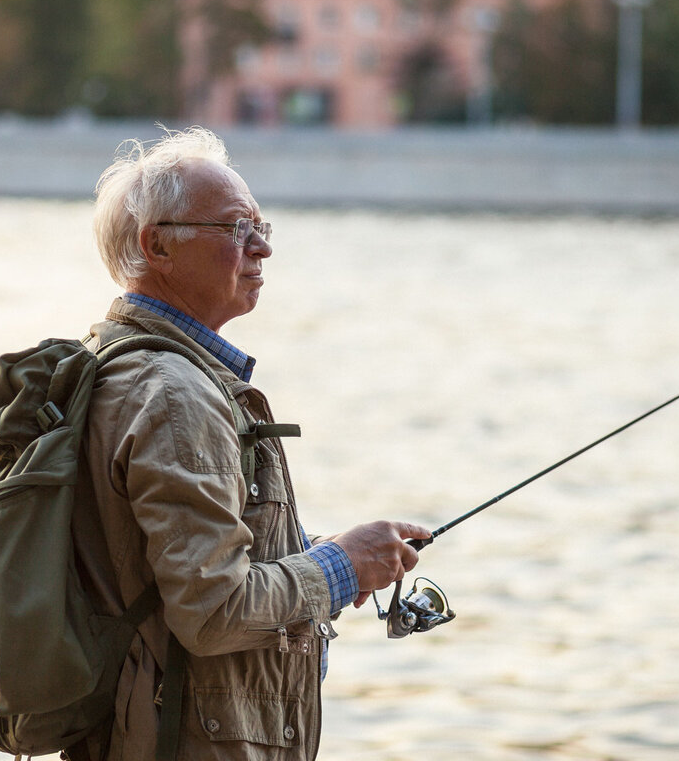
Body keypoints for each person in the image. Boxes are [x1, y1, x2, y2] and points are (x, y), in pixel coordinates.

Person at [74, 126, 430, 761]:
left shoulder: (115, 364)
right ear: (157, 245)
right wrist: (342, 568)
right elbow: (213, 610)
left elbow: (168, 571)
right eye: (237, 228)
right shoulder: (175, 396)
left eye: (261, 226)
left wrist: (322, 554)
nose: (262, 248)